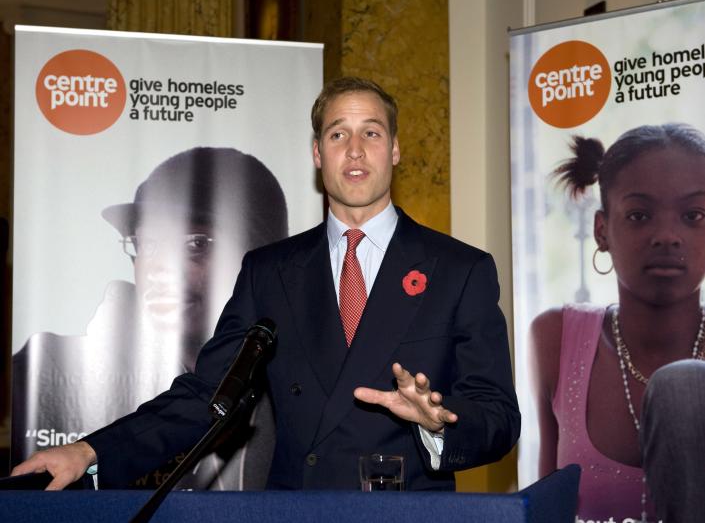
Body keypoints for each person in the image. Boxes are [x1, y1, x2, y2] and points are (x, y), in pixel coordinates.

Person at [12, 76, 520, 491]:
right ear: (317, 154)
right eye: (338, 134)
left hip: (403, 509)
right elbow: (209, 394)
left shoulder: (459, 270)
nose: (356, 150)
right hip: (296, 510)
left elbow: (498, 416)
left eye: (372, 133)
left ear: (396, 151)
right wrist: (90, 450)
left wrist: (438, 422)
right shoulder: (271, 269)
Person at [12, 147, 287, 489]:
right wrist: (85, 451)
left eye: (194, 243)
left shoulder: (294, 377)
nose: (157, 268)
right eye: (147, 243)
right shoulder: (50, 364)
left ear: (260, 255)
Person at [530, 123, 705, 522]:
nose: (667, 235)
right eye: (640, 215)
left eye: (693, 215)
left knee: (684, 387)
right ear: (602, 230)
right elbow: (545, 508)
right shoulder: (556, 338)